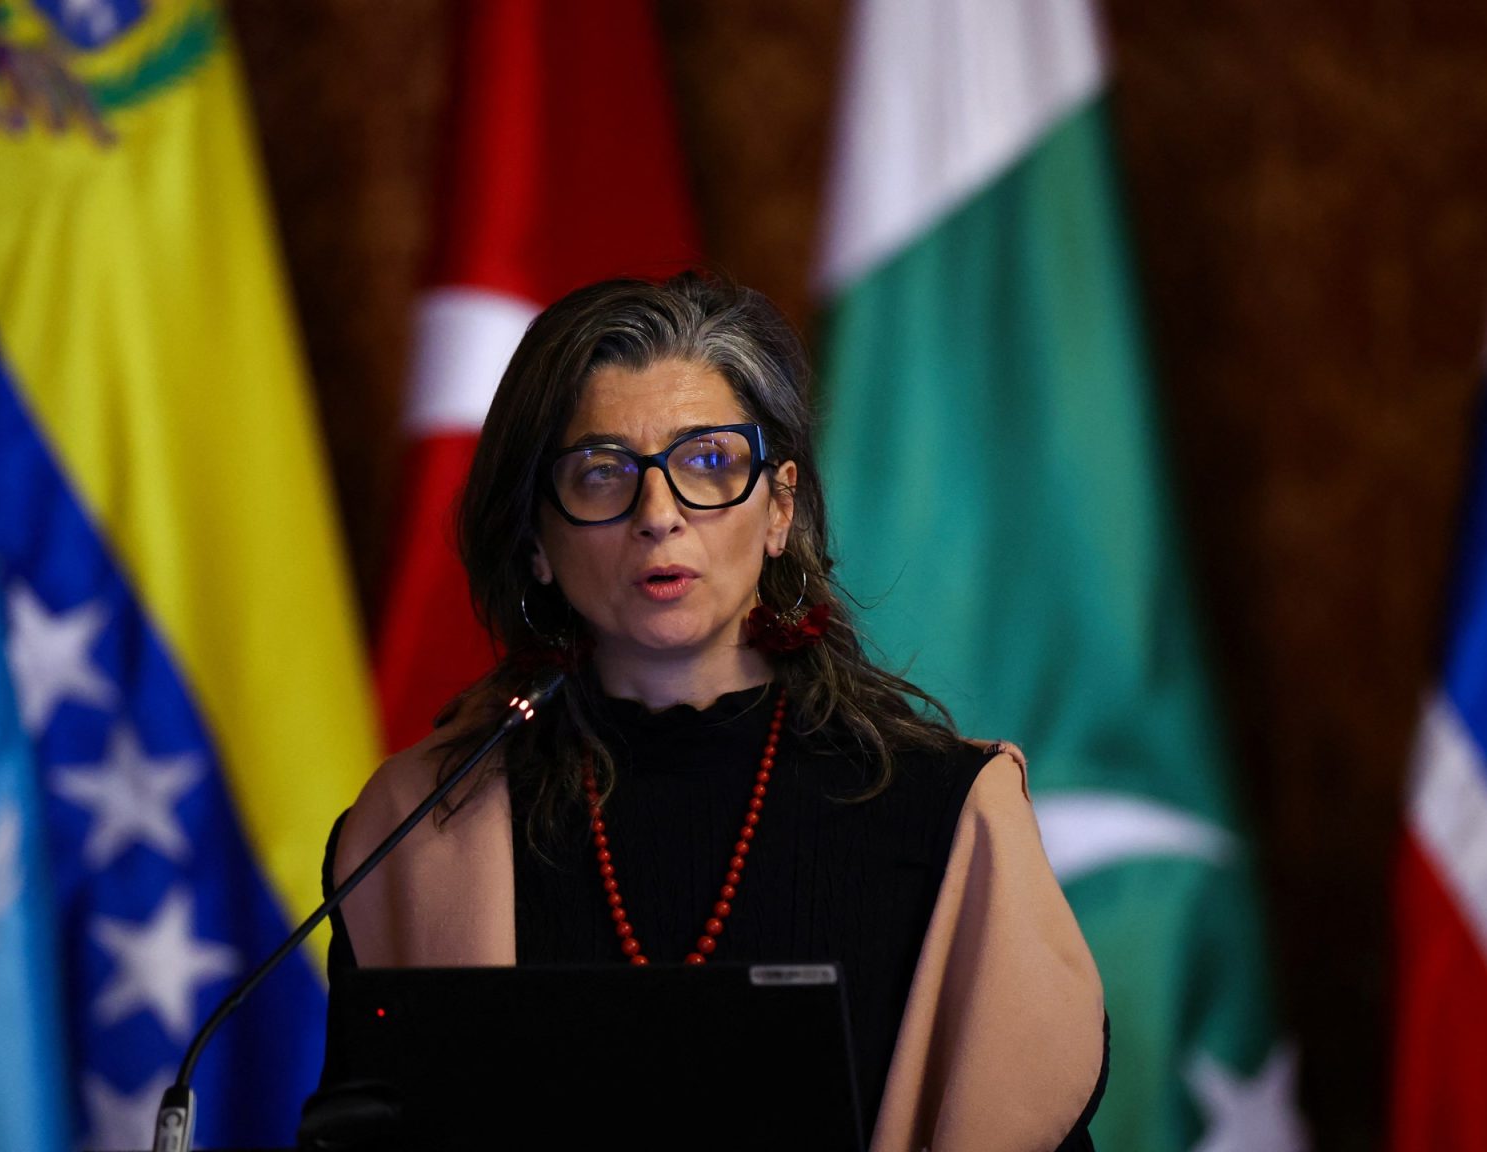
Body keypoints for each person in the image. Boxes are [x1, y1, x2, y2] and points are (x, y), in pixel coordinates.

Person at [322, 272, 1107, 1150]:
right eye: (602, 473)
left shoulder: (950, 815)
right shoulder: (420, 829)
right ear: (537, 539)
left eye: (706, 462)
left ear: (779, 510)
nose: (659, 515)